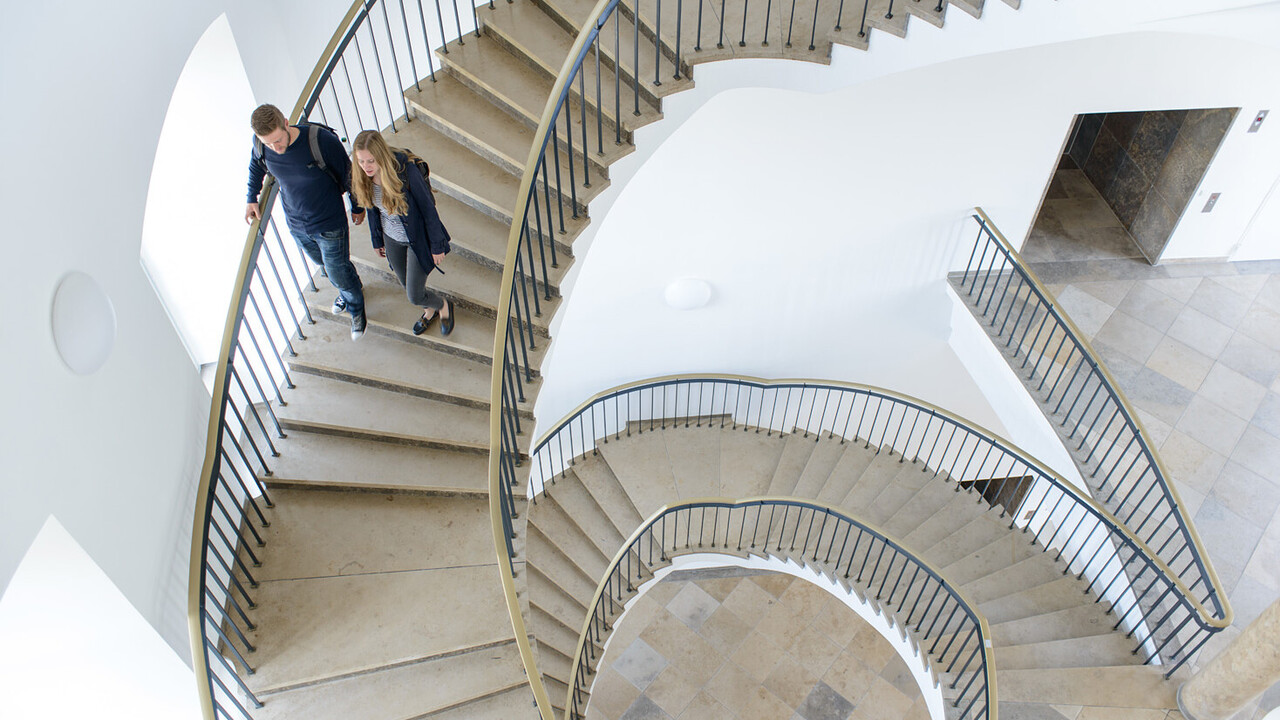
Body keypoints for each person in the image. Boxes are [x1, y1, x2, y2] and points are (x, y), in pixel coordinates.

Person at [245, 104, 368, 339]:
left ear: (285, 122)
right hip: (297, 225)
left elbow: (349, 174)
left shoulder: (320, 141)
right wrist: (251, 198)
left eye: (278, 140)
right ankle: (349, 287)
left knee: (336, 271)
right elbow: (255, 166)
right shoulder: (261, 145)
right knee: (329, 266)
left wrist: (357, 205)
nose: (275, 148)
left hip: (329, 222)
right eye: (269, 143)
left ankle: (356, 307)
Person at [350, 130, 455, 336]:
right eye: (361, 161)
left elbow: (428, 210)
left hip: (416, 238)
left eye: (370, 161)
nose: (366, 167)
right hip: (391, 238)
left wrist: (437, 245)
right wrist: (377, 239)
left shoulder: (405, 172)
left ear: (381, 155)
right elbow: (373, 210)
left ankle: (442, 306)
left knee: (414, 295)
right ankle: (429, 310)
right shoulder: (364, 176)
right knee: (406, 283)